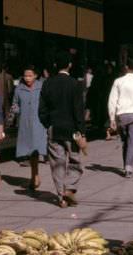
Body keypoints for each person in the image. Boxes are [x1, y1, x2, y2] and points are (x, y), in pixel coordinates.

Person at [38, 51, 85, 208]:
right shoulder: (75, 84)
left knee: (57, 163)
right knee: (75, 160)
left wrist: (48, 124)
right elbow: (79, 110)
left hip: (54, 127)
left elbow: (42, 110)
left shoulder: (47, 83)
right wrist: (81, 131)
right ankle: (70, 187)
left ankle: (61, 196)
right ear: (69, 65)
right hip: (72, 129)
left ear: (55, 66)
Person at [12, 66, 48, 192]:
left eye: (30, 76)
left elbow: (47, 103)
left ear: (36, 75)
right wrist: (17, 110)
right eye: (25, 76)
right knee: (30, 152)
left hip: (39, 123)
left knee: (37, 151)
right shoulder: (19, 89)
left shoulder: (42, 87)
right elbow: (15, 104)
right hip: (25, 123)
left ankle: (35, 176)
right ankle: (34, 176)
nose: (27, 78)